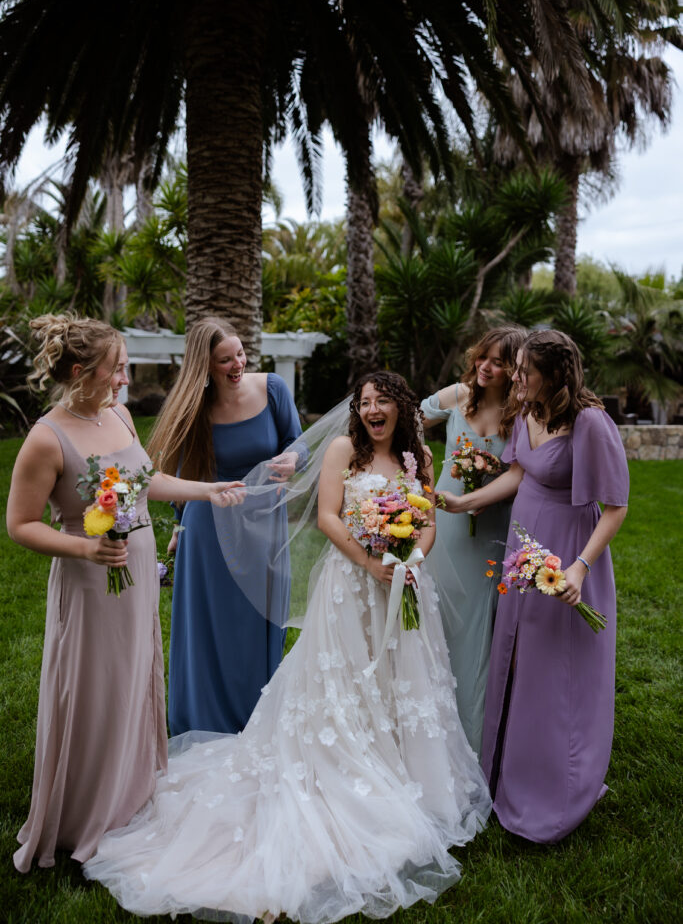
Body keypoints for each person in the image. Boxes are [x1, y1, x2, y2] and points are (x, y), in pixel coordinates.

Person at [83, 371, 491, 921]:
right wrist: (372, 562)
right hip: (352, 588)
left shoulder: (417, 454)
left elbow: (427, 520)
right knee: (347, 683)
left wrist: (411, 559)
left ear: (400, 409)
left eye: (382, 402)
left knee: (405, 680)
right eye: (365, 402)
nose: (372, 410)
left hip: (404, 586)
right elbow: (326, 517)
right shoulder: (344, 450)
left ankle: (406, 768)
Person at [7, 314, 244, 873]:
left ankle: (133, 790)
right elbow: (20, 524)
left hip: (134, 576)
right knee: (95, 689)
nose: (123, 379)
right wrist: (86, 550)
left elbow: (146, 482)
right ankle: (85, 810)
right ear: (78, 370)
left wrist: (207, 491)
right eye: (115, 369)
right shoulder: (47, 437)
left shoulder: (118, 415)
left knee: (135, 678)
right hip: (90, 582)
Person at [438, 330, 629, 843]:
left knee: (558, 670)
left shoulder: (590, 422)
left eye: (524, 370)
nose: (515, 378)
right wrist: (466, 503)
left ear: (556, 374)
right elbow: (520, 473)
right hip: (523, 547)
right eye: (516, 368)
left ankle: (560, 789)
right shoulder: (526, 412)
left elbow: (616, 508)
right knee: (518, 660)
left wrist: (579, 568)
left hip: (569, 549)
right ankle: (509, 775)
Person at [146, 316, 302, 735]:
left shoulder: (273, 389)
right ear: (204, 367)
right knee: (208, 628)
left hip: (266, 523)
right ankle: (203, 719)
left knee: (260, 621)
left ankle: (256, 720)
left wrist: (294, 459)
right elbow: (182, 471)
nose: (237, 365)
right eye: (224, 360)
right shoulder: (194, 408)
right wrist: (179, 529)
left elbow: (296, 440)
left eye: (240, 354)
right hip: (209, 529)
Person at [421, 325, 527, 755]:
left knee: (482, 626)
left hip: (492, 529)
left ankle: (476, 739)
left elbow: (521, 473)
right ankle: (428, 726)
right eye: (483, 356)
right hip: (443, 525)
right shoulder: (459, 395)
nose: (486, 366)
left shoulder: (522, 413)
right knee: (439, 614)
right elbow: (406, 421)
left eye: (499, 362)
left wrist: (476, 498)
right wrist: (423, 459)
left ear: (515, 369)